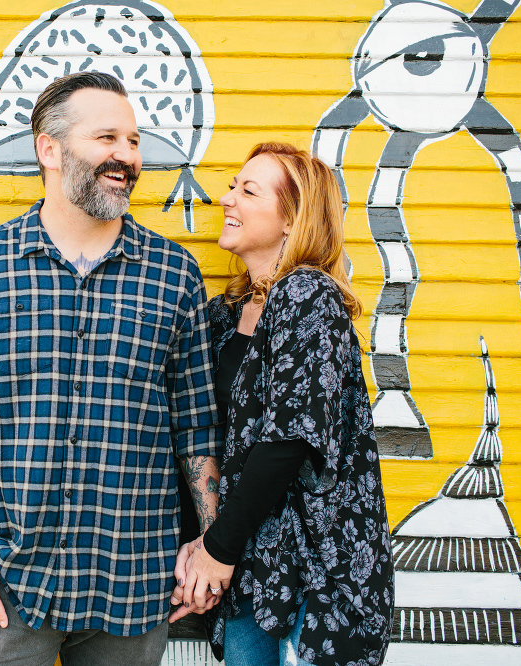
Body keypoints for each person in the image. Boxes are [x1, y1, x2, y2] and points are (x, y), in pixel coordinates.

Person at [0, 71, 221, 666]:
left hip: (134, 581)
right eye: (107, 137)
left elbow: (196, 425)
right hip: (11, 578)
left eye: (134, 141)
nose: (127, 156)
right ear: (50, 149)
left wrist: (209, 541)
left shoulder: (174, 274)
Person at [169, 142, 394, 665]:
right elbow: (200, 435)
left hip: (318, 577)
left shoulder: (307, 295)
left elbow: (288, 440)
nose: (226, 199)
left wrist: (215, 551)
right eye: (233, 186)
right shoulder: (225, 316)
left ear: (292, 219)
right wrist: (198, 552)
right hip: (251, 571)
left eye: (248, 191)